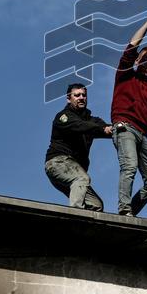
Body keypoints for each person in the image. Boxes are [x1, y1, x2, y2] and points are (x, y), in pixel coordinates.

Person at [111, 6, 147, 216]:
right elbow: (133, 44)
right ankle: (124, 209)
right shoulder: (126, 73)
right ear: (137, 60)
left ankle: (131, 211)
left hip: (143, 134)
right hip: (125, 127)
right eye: (146, 60)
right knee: (129, 167)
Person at [45, 83, 113, 211]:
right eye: (77, 95)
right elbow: (80, 126)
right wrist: (101, 128)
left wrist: (116, 128)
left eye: (84, 95)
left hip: (74, 170)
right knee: (81, 178)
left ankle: (86, 229)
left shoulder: (92, 120)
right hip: (58, 163)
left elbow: (106, 128)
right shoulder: (63, 117)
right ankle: (75, 217)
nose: (81, 97)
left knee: (96, 205)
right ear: (68, 98)